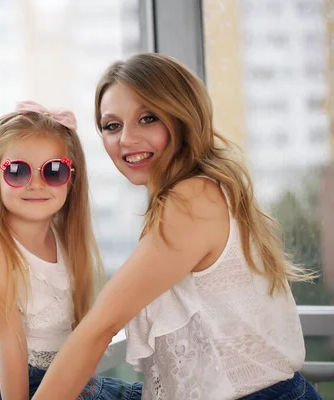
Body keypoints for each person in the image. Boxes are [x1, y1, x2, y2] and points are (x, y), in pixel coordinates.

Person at [32, 53, 321, 399]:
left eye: (147, 118)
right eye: (112, 125)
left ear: (183, 117)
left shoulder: (194, 198)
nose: (126, 139)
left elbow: (101, 326)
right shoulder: (197, 192)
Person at [0, 100, 142, 399]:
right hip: (18, 382)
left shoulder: (62, 236)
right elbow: (12, 349)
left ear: (71, 178)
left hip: (62, 375)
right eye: (17, 171)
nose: (37, 184)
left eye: (54, 171)